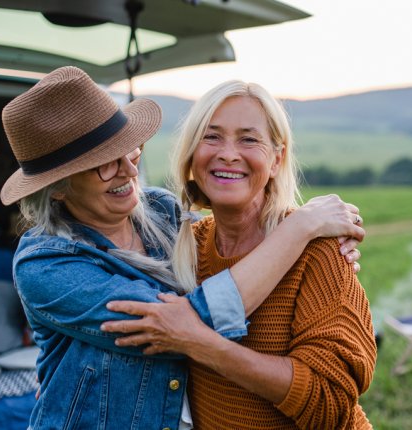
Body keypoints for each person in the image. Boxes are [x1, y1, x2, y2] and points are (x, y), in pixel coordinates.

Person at [0, 67, 365, 430]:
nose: (128, 170)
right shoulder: (45, 265)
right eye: (103, 164)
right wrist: (299, 229)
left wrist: (315, 235)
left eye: (130, 151)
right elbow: (183, 326)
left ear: (278, 157)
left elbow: (330, 401)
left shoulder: (164, 212)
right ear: (57, 187)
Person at [103, 80, 377, 429]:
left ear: (277, 159)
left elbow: (330, 402)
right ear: (191, 155)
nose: (228, 153)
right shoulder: (184, 246)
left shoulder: (317, 247)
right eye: (212, 136)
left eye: (248, 139)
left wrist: (203, 345)